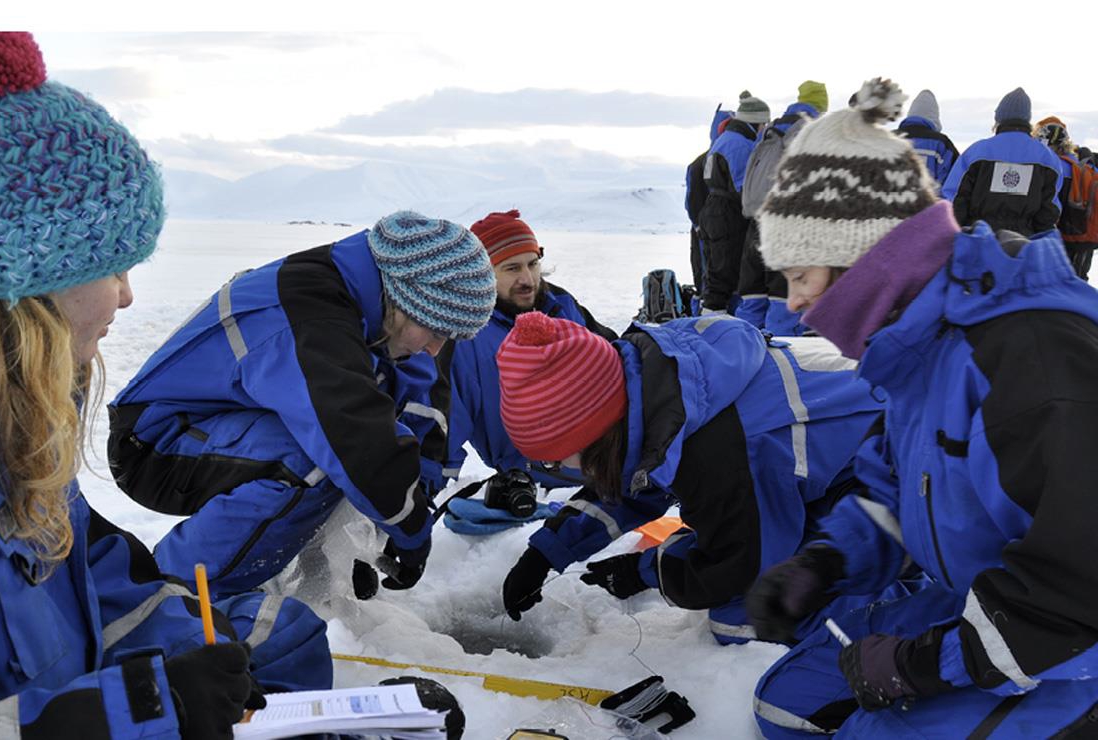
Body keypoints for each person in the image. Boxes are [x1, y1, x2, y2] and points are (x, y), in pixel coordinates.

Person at [0, 32, 332, 738]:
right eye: (115, 269)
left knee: (278, 638)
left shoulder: (11, 406)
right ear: (34, 286)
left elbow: (88, 576)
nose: (127, 297)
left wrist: (213, 646)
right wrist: (145, 709)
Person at [749, 77, 1098, 738]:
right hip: (984, 599)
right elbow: (894, 490)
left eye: (799, 276)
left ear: (860, 257)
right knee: (785, 706)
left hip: (1070, 648)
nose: (792, 304)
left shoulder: (1026, 360)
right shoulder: (919, 347)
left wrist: (923, 665)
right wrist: (826, 561)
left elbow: (1079, 587)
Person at [107, 210, 496, 598]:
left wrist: (398, 516)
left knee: (356, 457)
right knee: (317, 459)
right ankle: (169, 597)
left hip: (233, 426)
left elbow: (414, 406)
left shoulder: (371, 303)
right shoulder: (310, 312)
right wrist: (410, 531)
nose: (435, 348)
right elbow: (357, 440)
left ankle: (305, 573)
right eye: (435, 330)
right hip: (155, 441)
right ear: (403, 298)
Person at [495, 309, 892, 644]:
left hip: (891, 476)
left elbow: (739, 564)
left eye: (557, 459)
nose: (560, 470)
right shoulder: (661, 390)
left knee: (746, 619)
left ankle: (885, 612)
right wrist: (546, 552)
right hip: (832, 465)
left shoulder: (723, 451)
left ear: (596, 431)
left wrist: (645, 570)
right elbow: (634, 481)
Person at [439, 209, 616, 493]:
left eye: (532, 264)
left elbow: (620, 362)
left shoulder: (561, 304)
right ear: (479, 273)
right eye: (512, 268)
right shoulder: (467, 337)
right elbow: (445, 428)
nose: (528, 279)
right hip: (539, 476)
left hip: (609, 456)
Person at [738, 80, 828, 335]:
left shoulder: (773, 129)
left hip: (757, 220)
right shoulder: (811, 129)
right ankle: (785, 358)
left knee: (753, 293)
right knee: (785, 295)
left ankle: (742, 347)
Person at [941, 87, 1062, 236]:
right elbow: (1049, 208)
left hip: (979, 241)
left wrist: (956, 236)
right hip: (1024, 245)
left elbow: (954, 198)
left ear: (999, 118)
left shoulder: (977, 152)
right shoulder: (1048, 159)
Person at [699, 91, 770, 315]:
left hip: (714, 209)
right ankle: (715, 326)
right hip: (728, 212)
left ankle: (713, 321)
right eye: (763, 123)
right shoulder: (739, 144)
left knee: (717, 273)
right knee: (725, 275)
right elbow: (744, 186)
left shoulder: (727, 139)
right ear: (756, 122)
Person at [1033, 116, 1096, 279]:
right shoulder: (1087, 168)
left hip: (1054, 240)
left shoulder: (1047, 168)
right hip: (1083, 240)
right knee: (1079, 282)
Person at [685, 104, 733, 294]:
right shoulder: (702, 164)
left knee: (709, 275)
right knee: (710, 274)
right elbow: (693, 202)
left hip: (709, 228)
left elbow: (691, 201)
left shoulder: (699, 163)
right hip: (712, 229)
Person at [894, 89, 959, 191]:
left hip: (894, 203)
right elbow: (954, 179)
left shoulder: (890, 139)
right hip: (930, 203)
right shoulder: (942, 143)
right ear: (935, 117)